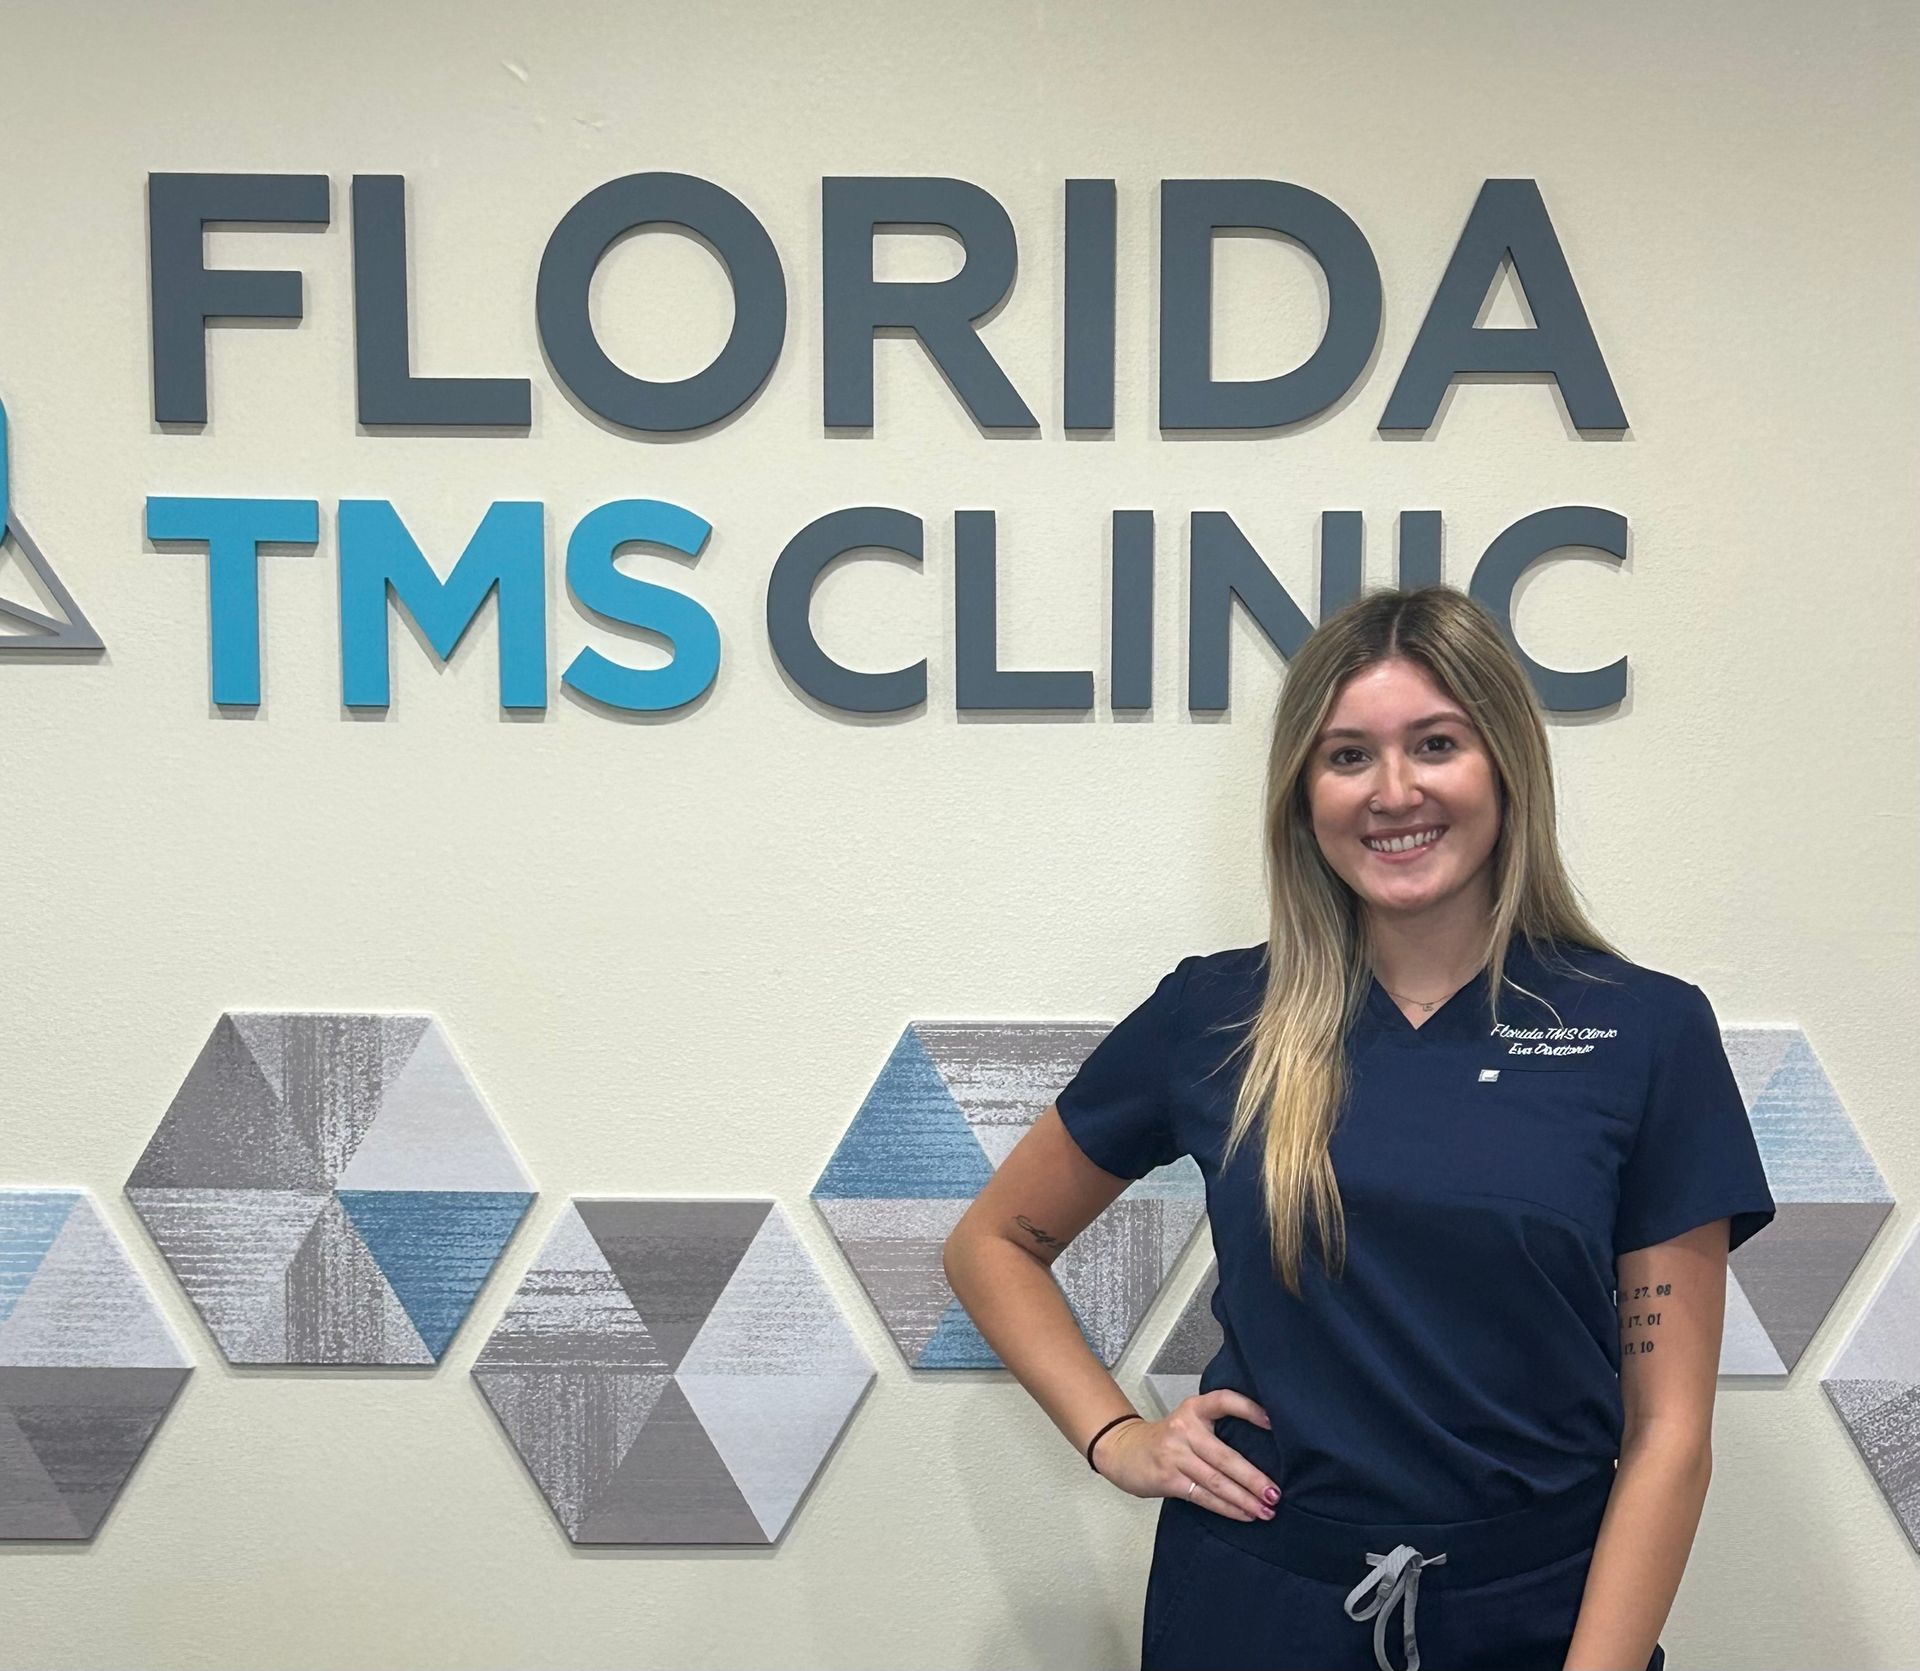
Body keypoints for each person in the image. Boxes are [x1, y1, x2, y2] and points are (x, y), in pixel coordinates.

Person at [942, 584, 1776, 1671]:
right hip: (1253, 1603)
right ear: (1302, 793)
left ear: (1507, 765)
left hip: (1540, 1616)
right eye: (1347, 757)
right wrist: (1119, 1439)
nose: (1394, 792)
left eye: (1436, 744)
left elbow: (1668, 1435)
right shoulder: (1215, 1015)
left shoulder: (1645, 1031)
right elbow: (992, 1243)